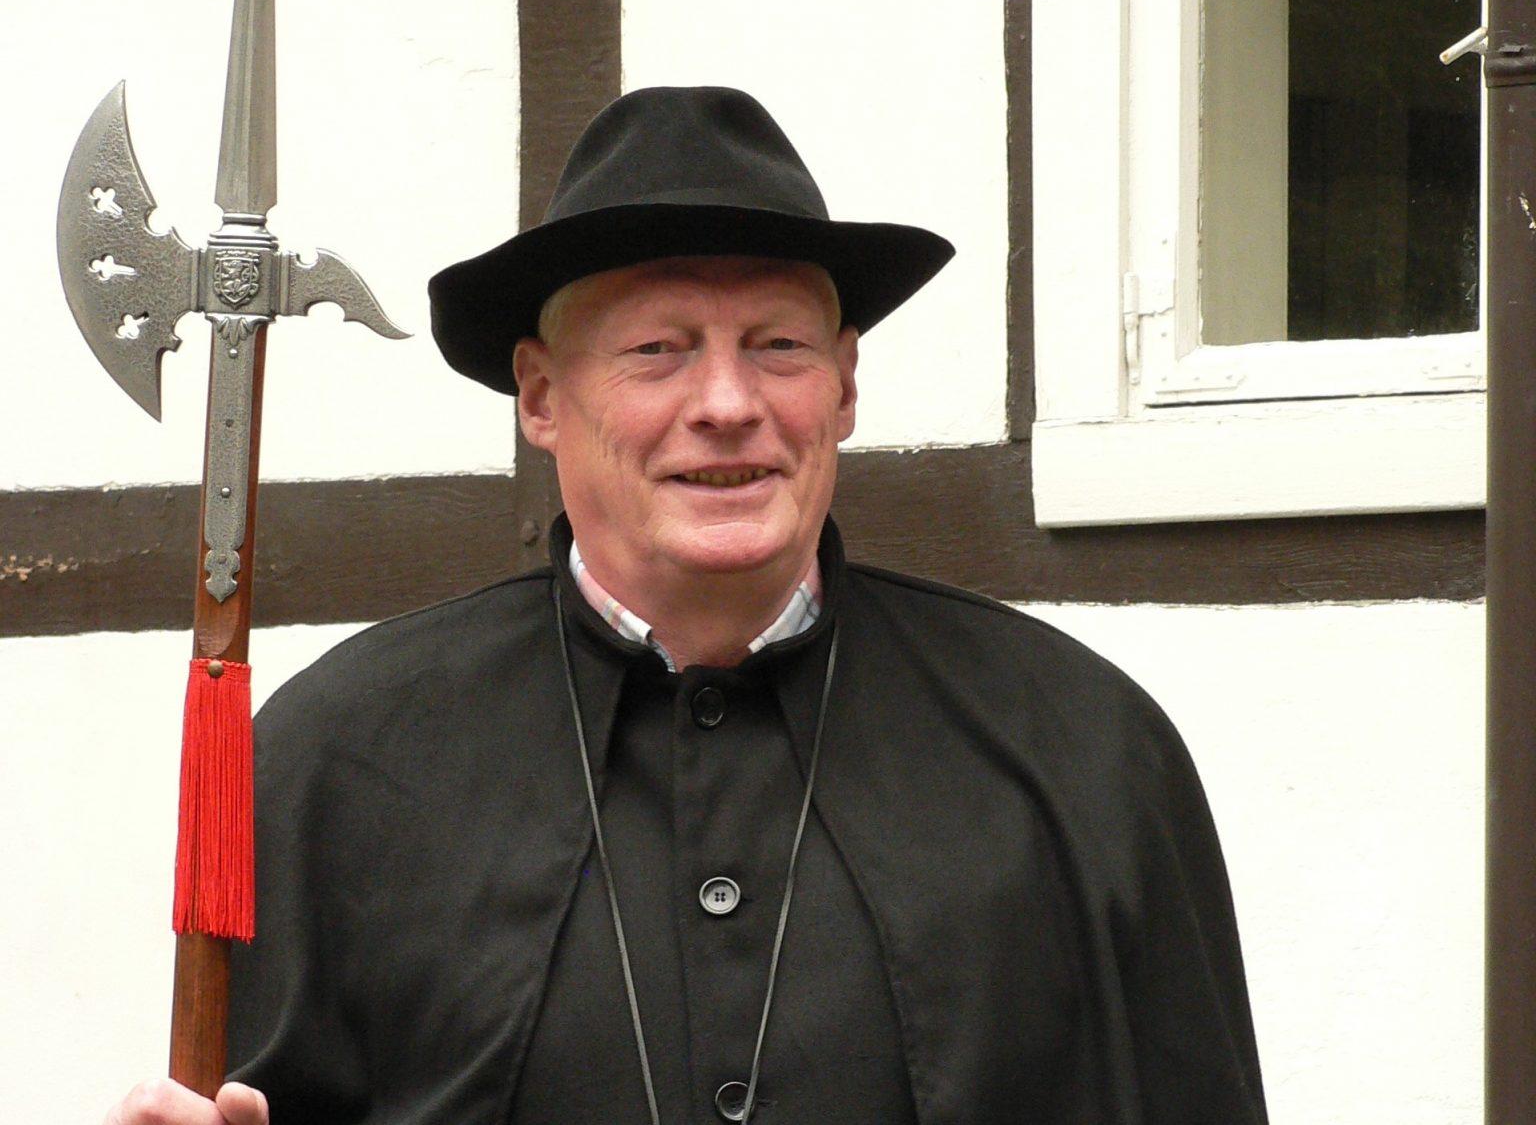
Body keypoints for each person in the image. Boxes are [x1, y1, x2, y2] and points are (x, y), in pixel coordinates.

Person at [107, 86, 1267, 1125]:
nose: (726, 402)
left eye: (779, 345)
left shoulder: (1084, 751)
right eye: (658, 349)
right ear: (541, 394)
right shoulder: (340, 763)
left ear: (844, 386)